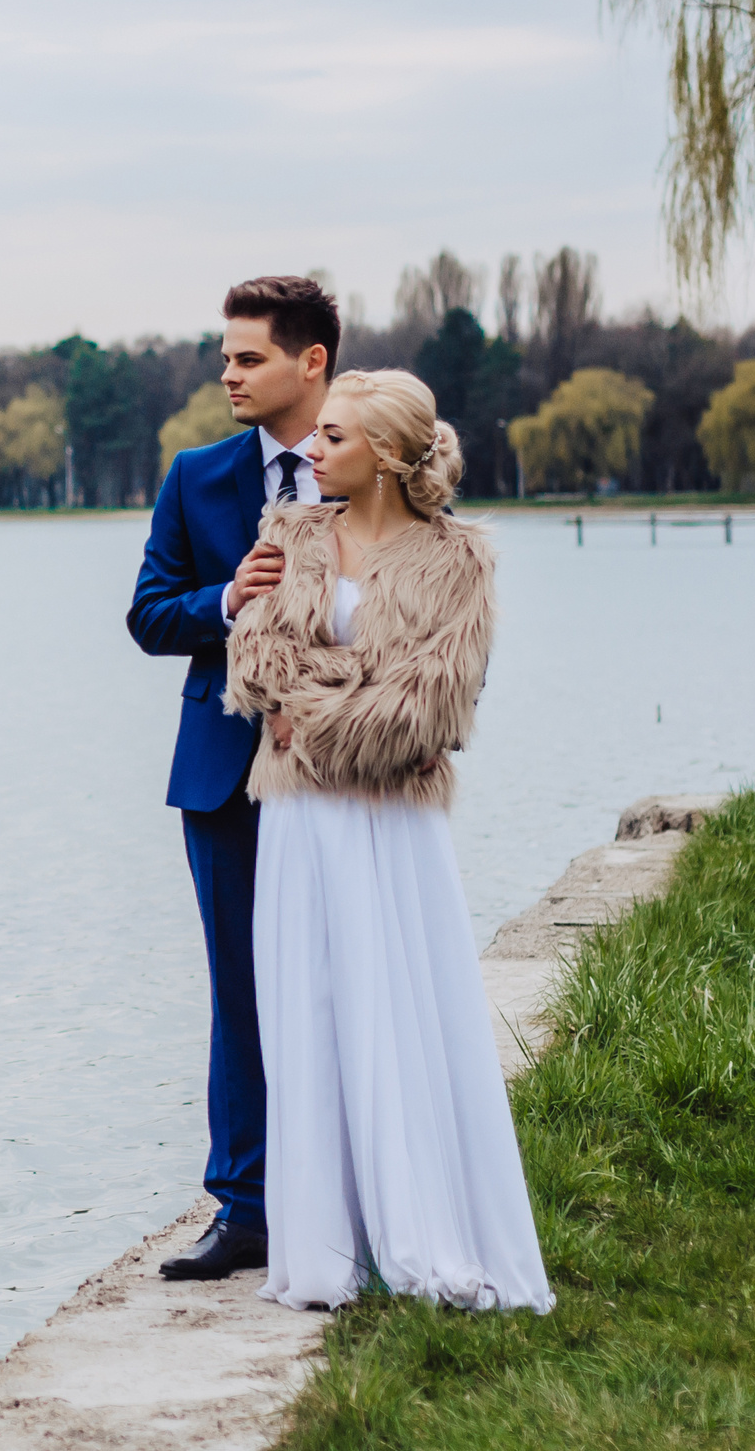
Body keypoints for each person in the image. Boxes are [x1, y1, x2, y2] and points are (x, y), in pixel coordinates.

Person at [222, 370, 553, 1313]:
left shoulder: (459, 561)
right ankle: (329, 1244)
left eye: (332, 438)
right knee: (313, 1014)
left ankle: (417, 1230)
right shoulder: (288, 532)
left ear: (384, 456)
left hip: (393, 823)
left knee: (399, 1007)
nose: (311, 451)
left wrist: (316, 718)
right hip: (299, 821)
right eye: (315, 436)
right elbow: (259, 659)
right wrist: (348, 686)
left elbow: (432, 701)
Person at [125, 275, 337, 1280]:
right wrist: (224, 597)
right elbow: (147, 615)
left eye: (248, 358)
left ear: (312, 363)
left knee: (345, 980)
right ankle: (244, 1208)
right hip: (222, 779)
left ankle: (346, 1186)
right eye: (224, 359)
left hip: (347, 772)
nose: (229, 376)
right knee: (241, 992)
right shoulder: (196, 475)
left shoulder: (371, 462)